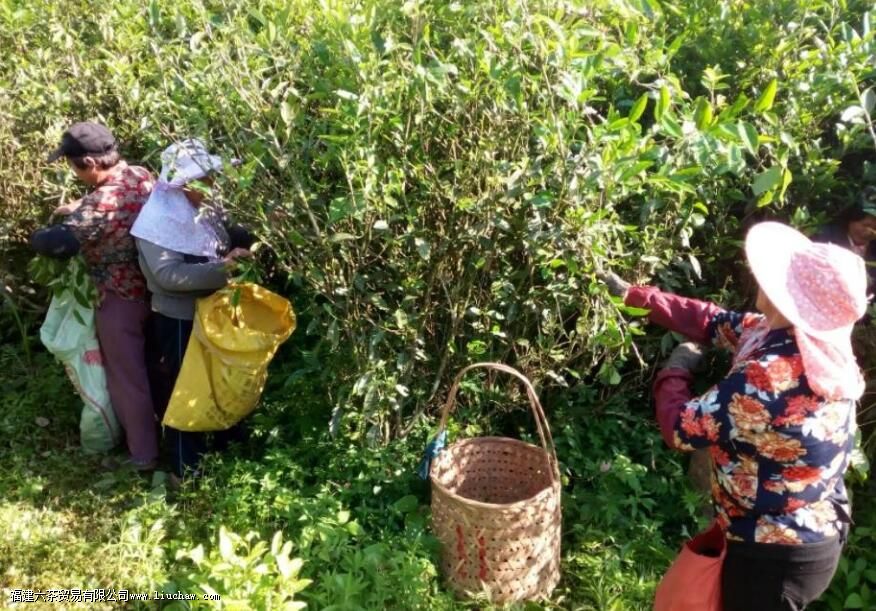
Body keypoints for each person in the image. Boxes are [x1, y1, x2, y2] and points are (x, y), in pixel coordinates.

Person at [600, 221, 867, 610]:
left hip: (776, 553)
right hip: (801, 529)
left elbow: (680, 429)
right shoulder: (800, 337)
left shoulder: (774, 375)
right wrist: (636, 297)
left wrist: (675, 370)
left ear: (790, 296)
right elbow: (711, 321)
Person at [30, 122, 159, 470]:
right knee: (155, 369)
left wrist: (43, 232)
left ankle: (144, 455)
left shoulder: (100, 202)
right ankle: (166, 440)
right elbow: (114, 210)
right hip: (157, 291)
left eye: (74, 166)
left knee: (126, 378)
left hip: (119, 298)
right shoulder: (140, 176)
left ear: (89, 162)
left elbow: (56, 244)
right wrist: (81, 208)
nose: (75, 173)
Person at [130, 139, 253, 479]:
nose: (212, 186)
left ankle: (233, 448)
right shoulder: (156, 222)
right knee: (185, 390)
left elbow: (229, 234)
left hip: (217, 311)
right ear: (180, 184)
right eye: (204, 179)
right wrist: (225, 269)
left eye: (212, 177)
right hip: (180, 317)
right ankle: (188, 466)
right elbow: (169, 276)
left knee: (223, 381)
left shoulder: (204, 207)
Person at [812, 186, 876, 287]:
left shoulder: (873, 250)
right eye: (865, 225)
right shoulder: (824, 239)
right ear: (851, 218)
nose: (869, 232)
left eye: (875, 229)